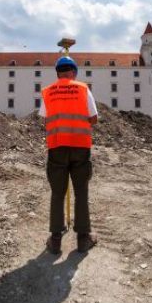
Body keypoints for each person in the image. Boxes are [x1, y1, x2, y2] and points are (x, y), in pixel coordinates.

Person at [39, 55, 98, 254]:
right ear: (73, 72)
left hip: (57, 147)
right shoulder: (83, 89)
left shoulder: (48, 92)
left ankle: (55, 240)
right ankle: (83, 238)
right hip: (80, 146)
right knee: (81, 191)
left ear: (58, 73)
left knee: (57, 192)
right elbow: (94, 118)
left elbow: (45, 118)